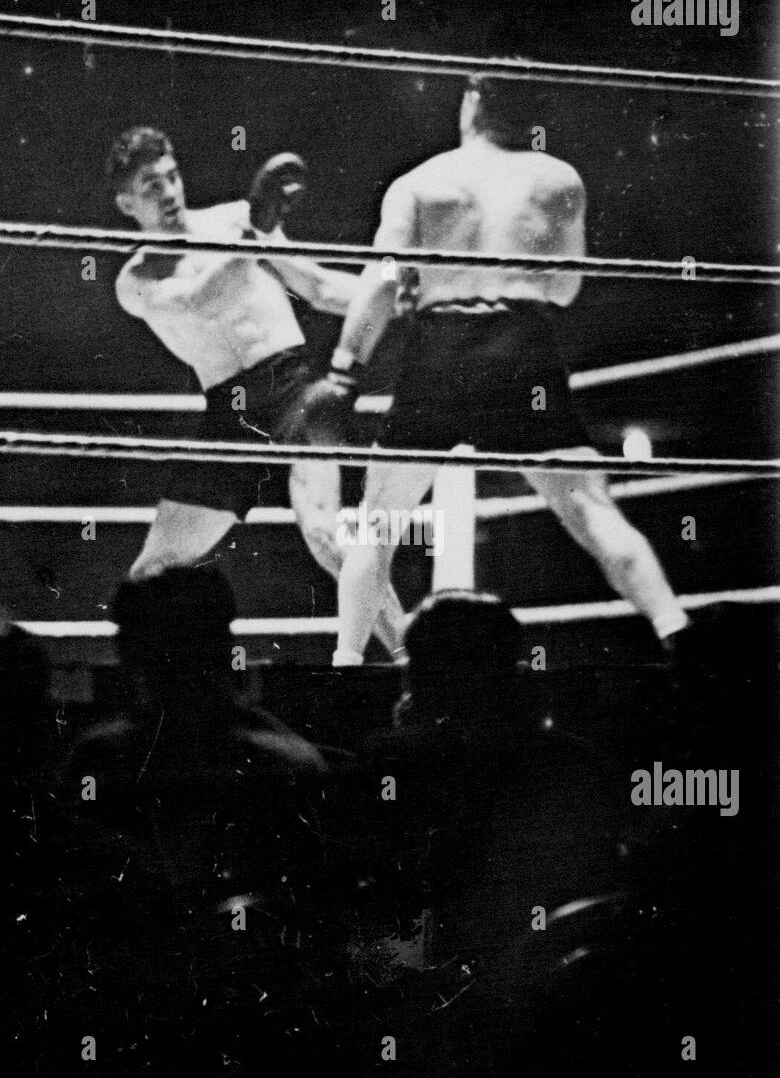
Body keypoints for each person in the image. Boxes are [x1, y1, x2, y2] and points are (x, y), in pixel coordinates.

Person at [303, 76, 690, 665]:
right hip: (522, 347)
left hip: (441, 348)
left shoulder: (421, 182)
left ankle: (347, 666)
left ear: (472, 103)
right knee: (591, 511)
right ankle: (679, 637)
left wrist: (343, 368)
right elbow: (564, 289)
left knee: (379, 522)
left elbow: (380, 282)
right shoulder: (558, 179)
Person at [109, 126, 404, 654]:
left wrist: (398, 295)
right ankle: (145, 702)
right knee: (151, 572)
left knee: (326, 535)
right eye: (151, 186)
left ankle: (413, 665)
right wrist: (253, 231)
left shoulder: (233, 218)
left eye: (173, 177)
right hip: (230, 415)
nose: (170, 192)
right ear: (126, 203)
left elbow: (314, 285)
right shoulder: (136, 279)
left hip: (293, 392)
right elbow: (196, 300)